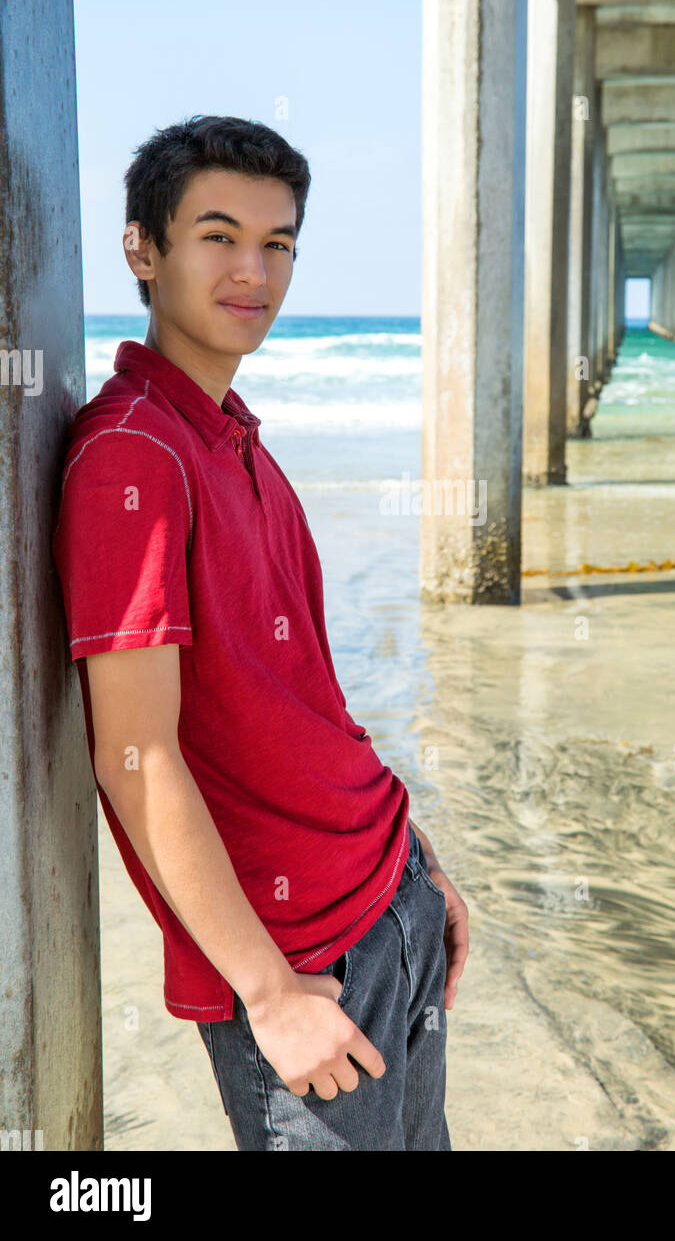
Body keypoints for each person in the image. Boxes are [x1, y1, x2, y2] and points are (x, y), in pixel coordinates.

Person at [51, 114, 469, 1151]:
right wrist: (269, 992)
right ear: (141, 249)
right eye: (218, 235)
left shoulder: (238, 442)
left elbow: (307, 703)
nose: (254, 271)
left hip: (390, 904)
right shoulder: (132, 457)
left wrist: (413, 861)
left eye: (277, 243)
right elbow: (133, 754)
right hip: (303, 962)